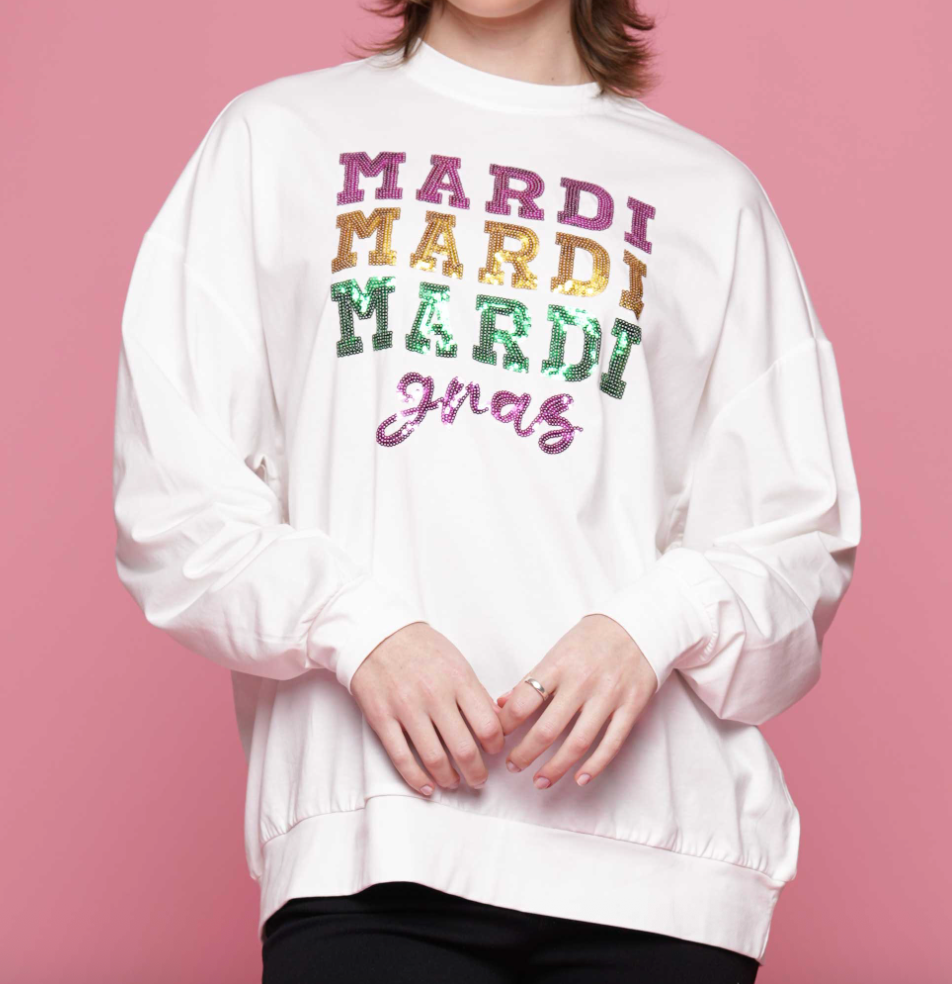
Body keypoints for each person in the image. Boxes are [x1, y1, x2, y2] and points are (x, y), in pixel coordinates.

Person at [111, 0, 861, 980]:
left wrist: (648, 627)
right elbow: (174, 502)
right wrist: (360, 629)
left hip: (659, 870)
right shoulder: (276, 141)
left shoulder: (711, 197)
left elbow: (797, 538)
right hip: (375, 848)